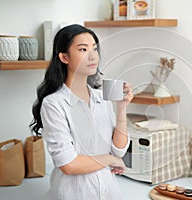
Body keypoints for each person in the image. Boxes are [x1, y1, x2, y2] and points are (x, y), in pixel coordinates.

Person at [30, 24, 133, 200]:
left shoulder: (101, 98)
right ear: (64, 57)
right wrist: (109, 160)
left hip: (109, 193)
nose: (92, 56)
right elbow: (68, 164)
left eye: (94, 48)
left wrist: (122, 107)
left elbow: (118, 152)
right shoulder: (54, 104)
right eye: (83, 49)